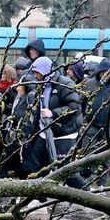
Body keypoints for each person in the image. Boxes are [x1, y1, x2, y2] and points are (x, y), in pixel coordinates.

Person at [17, 57, 87, 189]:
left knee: (66, 170)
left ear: (45, 71)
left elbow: (74, 107)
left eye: (37, 72)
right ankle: (37, 196)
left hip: (63, 134)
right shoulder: (42, 85)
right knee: (36, 167)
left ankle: (87, 192)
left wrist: (53, 113)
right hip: (44, 132)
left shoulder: (65, 84)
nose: (35, 76)